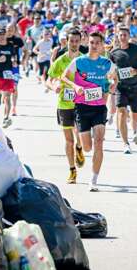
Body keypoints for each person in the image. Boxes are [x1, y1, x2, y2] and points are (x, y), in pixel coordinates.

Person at [63, 32, 117, 191]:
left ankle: (93, 179)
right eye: (91, 43)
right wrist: (75, 86)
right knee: (88, 147)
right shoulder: (79, 61)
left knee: (99, 142)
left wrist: (113, 84)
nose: (94, 46)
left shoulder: (107, 63)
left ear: (101, 46)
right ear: (88, 43)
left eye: (97, 43)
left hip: (99, 107)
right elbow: (64, 77)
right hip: (82, 107)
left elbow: (115, 77)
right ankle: (80, 147)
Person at [47, 29, 86, 184]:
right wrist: (53, 87)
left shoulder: (85, 60)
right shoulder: (60, 61)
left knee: (80, 135)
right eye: (72, 41)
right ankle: (72, 170)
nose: (74, 44)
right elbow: (49, 79)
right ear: (67, 42)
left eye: (77, 41)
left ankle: (79, 147)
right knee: (68, 140)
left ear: (81, 41)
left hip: (81, 103)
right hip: (64, 103)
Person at [110, 26, 137, 153]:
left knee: (136, 115)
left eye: (125, 35)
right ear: (118, 37)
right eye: (121, 35)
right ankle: (126, 143)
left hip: (136, 87)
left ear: (129, 36)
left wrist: (136, 71)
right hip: (121, 88)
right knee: (121, 111)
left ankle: (132, 122)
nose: (123, 37)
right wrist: (112, 78)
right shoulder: (113, 53)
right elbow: (110, 70)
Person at [6, 23, 25, 116]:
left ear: (14, 30)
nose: (9, 31)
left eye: (11, 29)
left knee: (14, 87)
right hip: (4, 66)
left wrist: (24, 60)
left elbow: (26, 51)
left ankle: (14, 107)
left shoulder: (17, 40)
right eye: (8, 29)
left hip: (15, 67)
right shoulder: (2, 39)